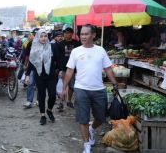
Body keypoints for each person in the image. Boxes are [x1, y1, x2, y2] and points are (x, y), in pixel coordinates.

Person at [61, 25, 117, 153]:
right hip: (81, 89)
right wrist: (64, 88)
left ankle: (92, 129)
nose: (83, 37)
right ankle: (86, 145)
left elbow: (108, 68)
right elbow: (70, 70)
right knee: (83, 118)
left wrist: (115, 83)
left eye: (86, 34)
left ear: (93, 35)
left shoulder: (101, 50)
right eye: (81, 34)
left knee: (101, 117)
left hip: (99, 89)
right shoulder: (76, 51)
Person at [25, 29, 60, 125]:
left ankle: (49, 110)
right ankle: (42, 115)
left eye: (45, 36)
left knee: (52, 95)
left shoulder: (52, 46)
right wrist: (27, 75)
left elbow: (58, 59)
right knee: (41, 95)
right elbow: (31, 63)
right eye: (41, 36)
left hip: (51, 75)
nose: (43, 38)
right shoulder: (34, 48)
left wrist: (59, 70)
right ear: (38, 37)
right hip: (39, 75)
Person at [58, 25, 81, 110]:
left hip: (74, 68)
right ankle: (61, 102)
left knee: (71, 86)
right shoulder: (60, 44)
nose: (66, 34)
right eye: (65, 33)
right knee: (63, 85)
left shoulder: (77, 44)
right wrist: (59, 69)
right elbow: (58, 57)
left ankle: (69, 101)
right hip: (63, 68)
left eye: (68, 33)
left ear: (72, 34)